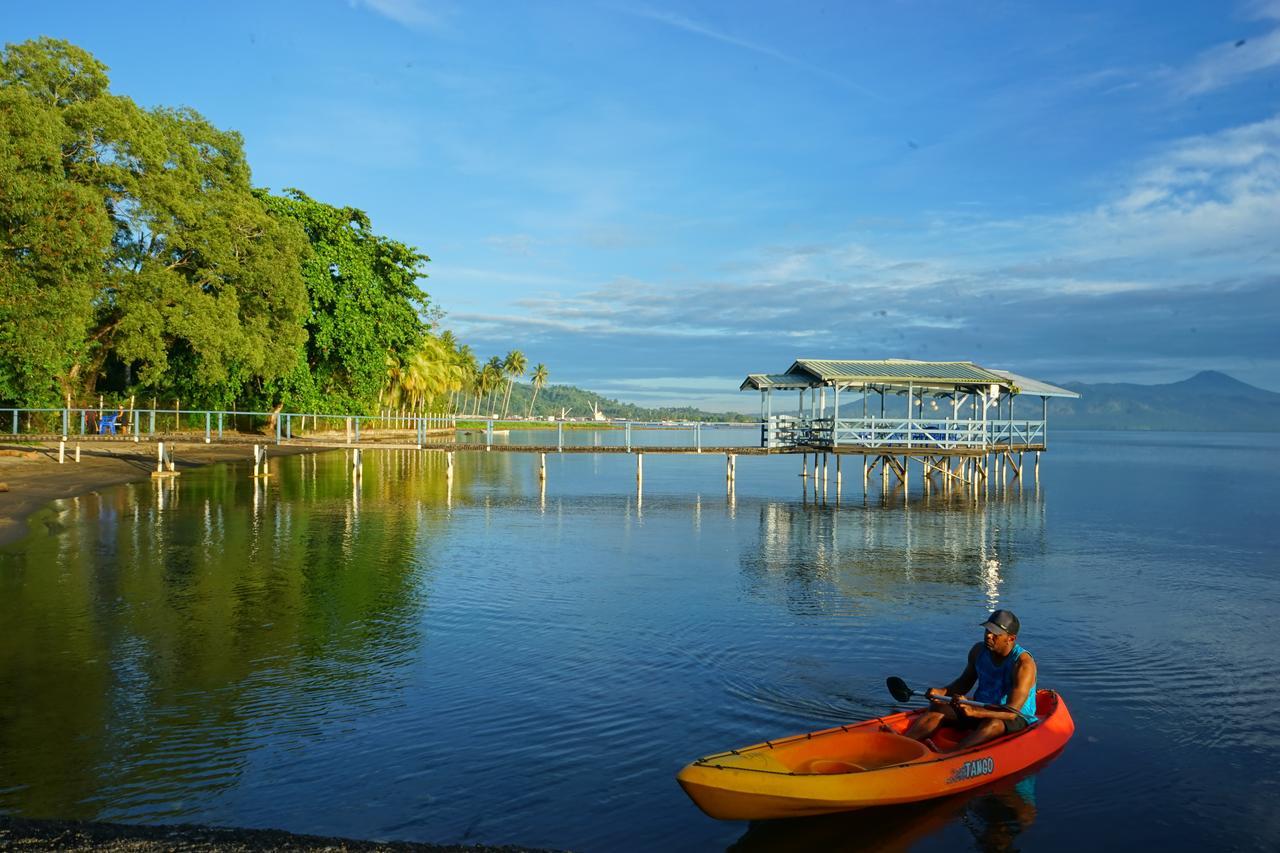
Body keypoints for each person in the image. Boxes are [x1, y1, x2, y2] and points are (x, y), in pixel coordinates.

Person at [903, 609, 1037, 751]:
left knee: (992, 723)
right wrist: (941, 692)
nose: (988, 636)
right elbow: (964, 682)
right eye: (987, 631)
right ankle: (902, 744)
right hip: (982, 706)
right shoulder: (978, 651)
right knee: (937, 708)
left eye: (995, 634)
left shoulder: (1023, 664)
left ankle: (950, 756)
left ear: (1011, 639)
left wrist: (975, 712)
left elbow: (1011, 712)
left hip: (1014, 716)